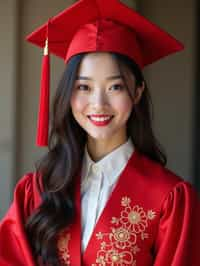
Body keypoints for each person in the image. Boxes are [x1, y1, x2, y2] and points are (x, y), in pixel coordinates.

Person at [0, 0, 200, 265]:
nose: (98, 104)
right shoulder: (38, 189)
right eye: (84, 87)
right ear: (69, 93)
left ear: (138, 91)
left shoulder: (168, 199)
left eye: (115, 87)